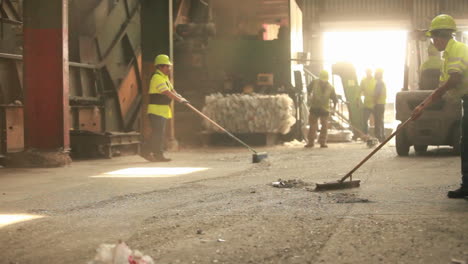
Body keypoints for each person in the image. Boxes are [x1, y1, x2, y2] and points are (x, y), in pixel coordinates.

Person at [412, 14, 468, 198]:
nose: (433, 42)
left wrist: (423, 105)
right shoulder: (450, 54)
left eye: (433, 37)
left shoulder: (457, 51)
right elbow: (443, 88)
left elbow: (453, 80)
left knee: (466, 142)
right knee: (465, 142)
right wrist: (423, 105)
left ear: (439, 36)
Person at [144, 54, 188, 162]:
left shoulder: (165, 78)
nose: (169, 68)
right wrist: (179, 100)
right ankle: (156, 154)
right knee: (157, 133)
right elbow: (166, 92)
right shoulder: (157, 78)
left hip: (162, 110)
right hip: (156, 110)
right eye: (167, 66)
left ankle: (145, 151)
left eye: (169, 66)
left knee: (158, 133)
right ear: (160, 67)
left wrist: (181, 98)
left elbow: (172, 91)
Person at [305, 70, 338, 148]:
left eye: (324, 81)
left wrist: (333, 108)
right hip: (314, 107)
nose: (323, 82)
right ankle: (311, 142)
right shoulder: (314, 82)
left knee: (324, 126)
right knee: (313, 125)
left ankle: (322, 142)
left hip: (324, 109)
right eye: (322, 80)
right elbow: (308, 89)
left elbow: (335, 99)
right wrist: (309, 96)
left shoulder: (330, 87)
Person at [360, 69, 376, 136]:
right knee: (364, 121)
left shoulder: (375, 80)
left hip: (375, 104)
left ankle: (377, 136)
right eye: (367, 72)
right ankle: (366, 135)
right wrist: (358, 100)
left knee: (377, 122)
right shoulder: (363, 81)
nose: (368, 73)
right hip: (366, 104)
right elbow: (360, 91)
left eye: (369, 72)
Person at [374, 68, 387, 142]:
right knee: (381, 120)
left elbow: (377, 93)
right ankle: (383, 137)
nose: (374, 75)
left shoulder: (379, 83)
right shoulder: (382, 82)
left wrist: (375, 101)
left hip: (378, 104)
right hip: (382, 103)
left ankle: (378, 137)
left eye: (376, 73)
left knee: (378, 121)